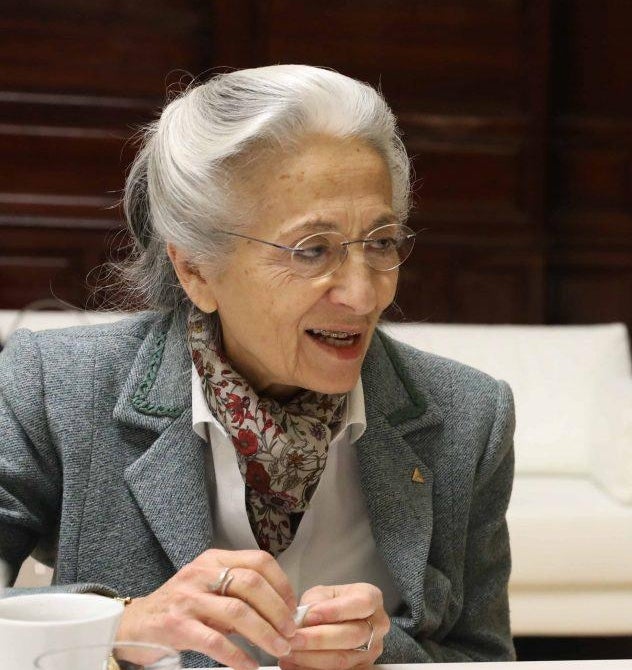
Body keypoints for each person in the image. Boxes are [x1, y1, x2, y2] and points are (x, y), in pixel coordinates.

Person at [0, 65, 515, 668]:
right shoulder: (56, 386)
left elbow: (483, 657)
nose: (364, 294)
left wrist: (384, 651)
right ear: (195, 269)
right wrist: (123, 625)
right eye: (312, 249)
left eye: (380, 242)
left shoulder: (468, 416)